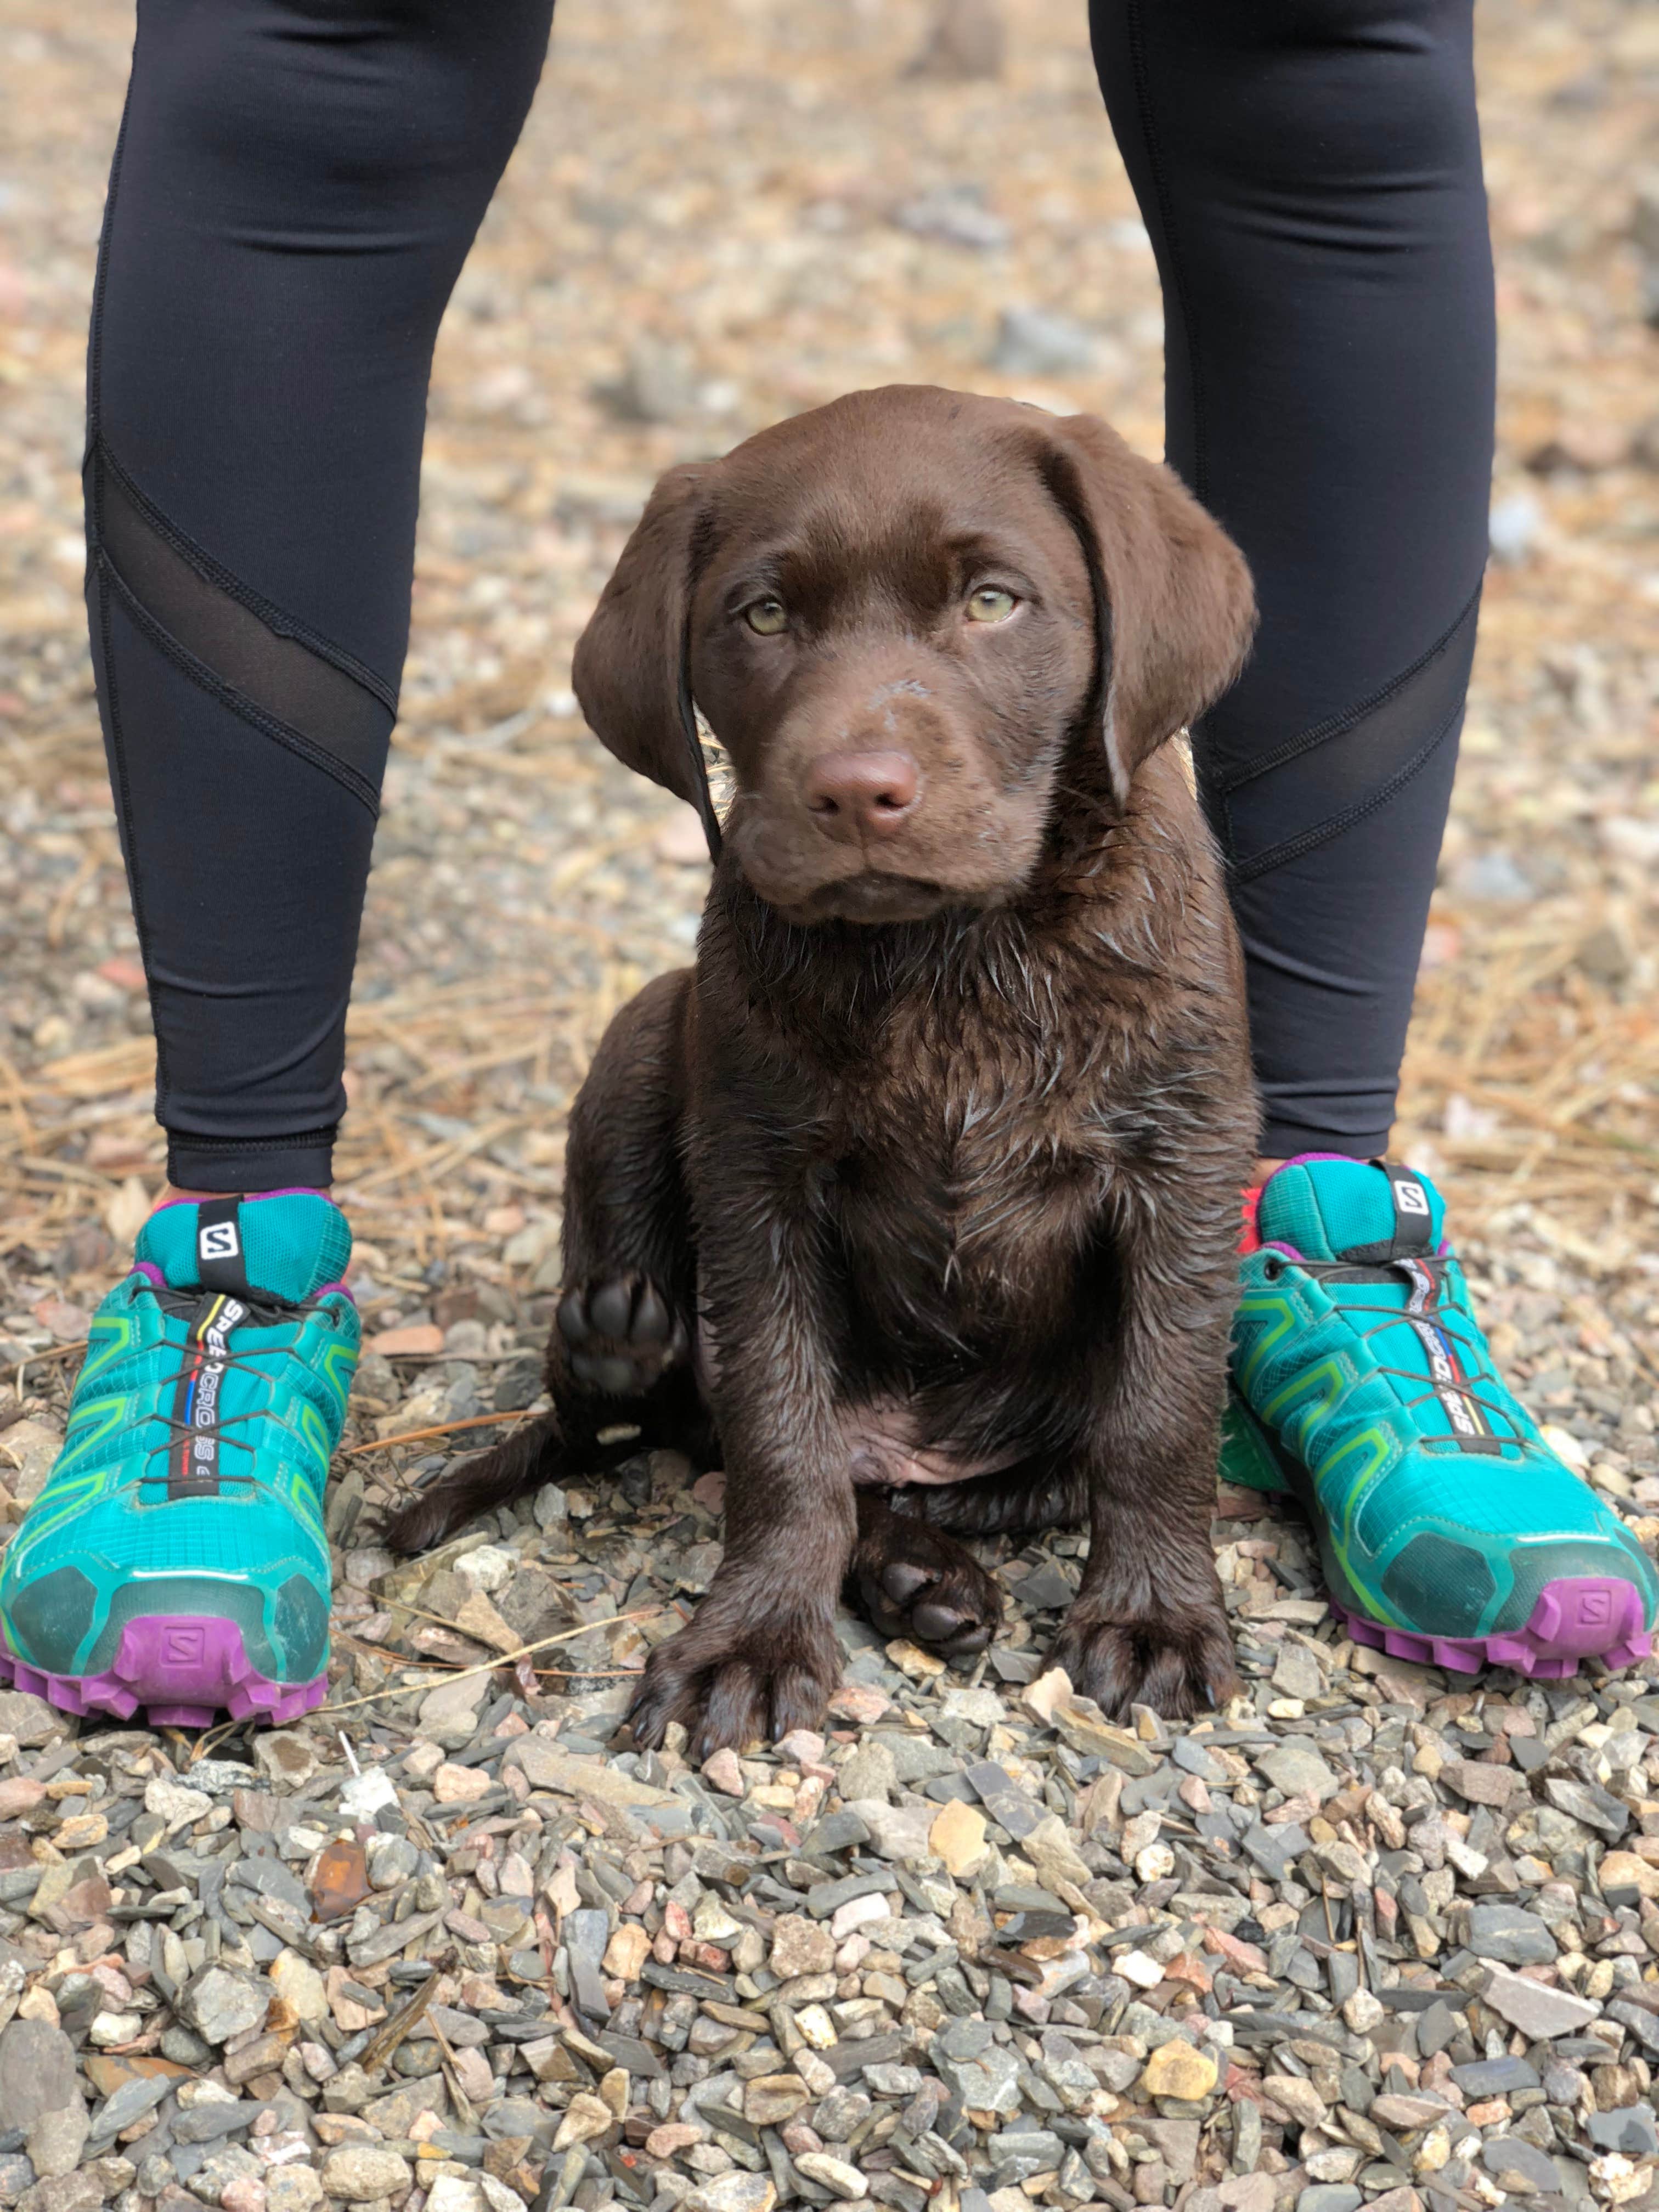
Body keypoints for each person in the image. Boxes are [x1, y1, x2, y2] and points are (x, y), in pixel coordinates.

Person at [2, 0, 1651, 1728]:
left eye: (990, 600)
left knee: (1314, 26)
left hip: (1060, 1374)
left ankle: (1318, 1253)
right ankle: (239, 1263)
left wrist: (1145, 1521)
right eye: (770, 621)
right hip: (818, 1350)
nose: (867, 759)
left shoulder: (1129, 801)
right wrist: (780, 1520)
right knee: (334, 17)